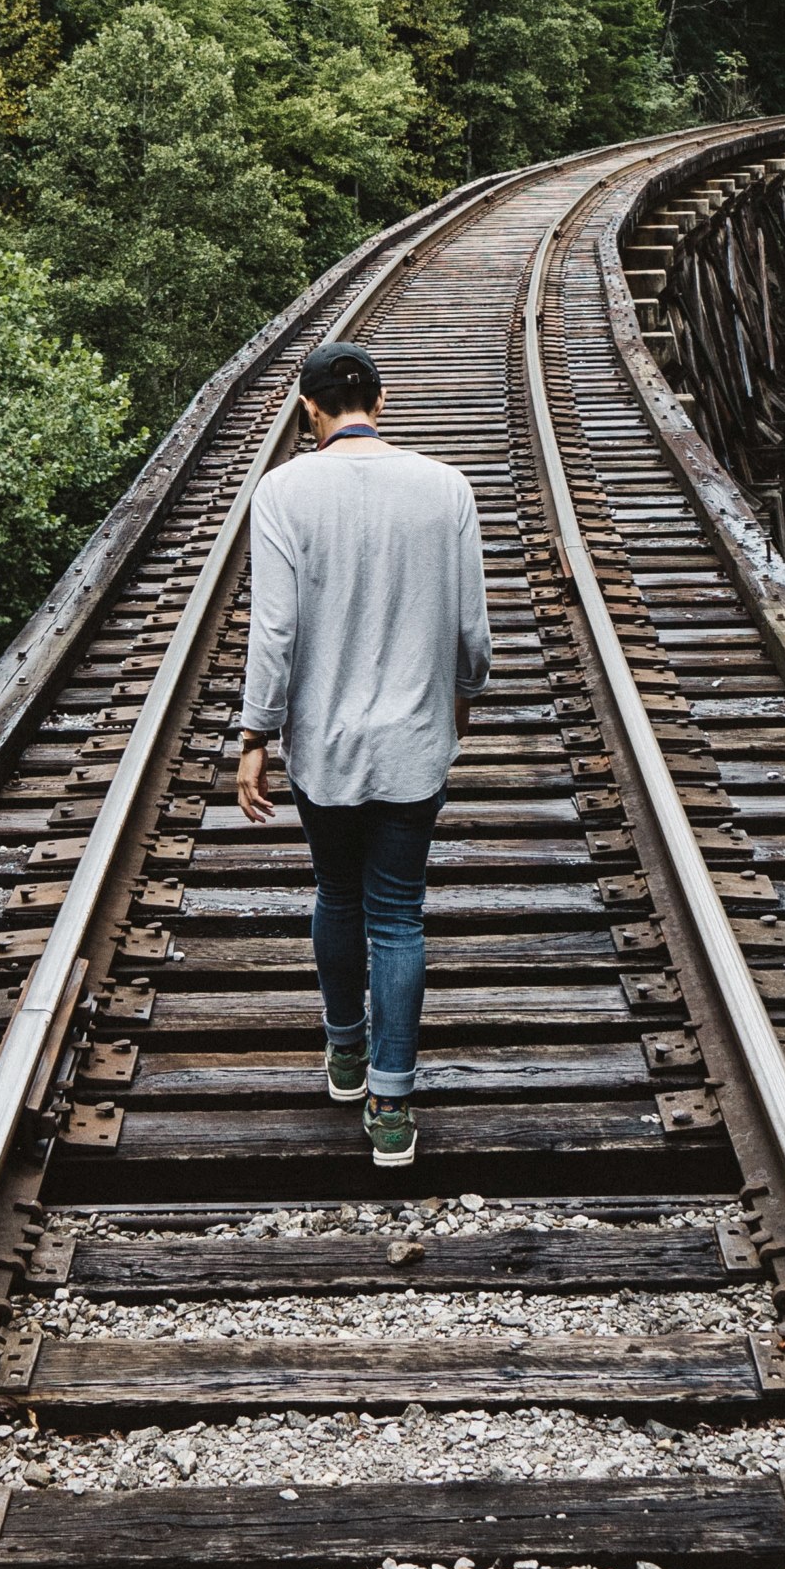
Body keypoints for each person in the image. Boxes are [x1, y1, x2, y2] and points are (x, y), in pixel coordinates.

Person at [231, 340, 491, 1169]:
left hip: (326, 748)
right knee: (399, 913)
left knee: (336, 892)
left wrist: (254, 737)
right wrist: (461, 697)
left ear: (309, 408)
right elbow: (471, 632)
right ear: (381, 400)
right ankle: (392, 1104)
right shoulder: (446, 487)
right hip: (415, 744)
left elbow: (273, 632)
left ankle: (346, 1055)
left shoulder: (281, 493)